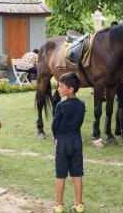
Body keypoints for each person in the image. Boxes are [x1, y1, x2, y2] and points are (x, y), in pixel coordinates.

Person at [52, 73, 86, 213]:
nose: (58, 89)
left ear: (70, 89)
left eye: (61, 86)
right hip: (76, 140)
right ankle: (78, 205)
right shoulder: (82, 105)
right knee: (77, 174)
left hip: (63, 141)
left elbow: (55, 125)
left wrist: (56, 137)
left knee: (61, 174)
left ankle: (58, 205)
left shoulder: (61, 105)